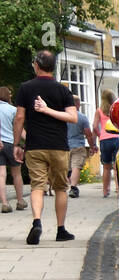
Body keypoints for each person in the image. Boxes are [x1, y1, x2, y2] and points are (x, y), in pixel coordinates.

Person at [12, 50, 77, 244]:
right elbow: (72, 117)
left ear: (37, 65)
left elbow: (19, 117)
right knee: (60, 188)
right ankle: (61, 230)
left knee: (37, 186)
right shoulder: (63, 90)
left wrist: (16, 144)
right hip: (58, 146)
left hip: (34, 146)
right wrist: (52, 111)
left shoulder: (25, 88)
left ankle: (37, 222)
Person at [0, 87, 26, 212]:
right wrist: (29, 141)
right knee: (16, 174)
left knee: (1, 175)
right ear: (7, 96)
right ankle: (20, 201)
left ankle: (5, 203)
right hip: (11, 144)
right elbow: (19, 129)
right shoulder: (13, 110)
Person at [65, 94, 94, 198]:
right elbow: (88, 134)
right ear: (77, 104)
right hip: (78, 146)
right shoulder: (82, 117)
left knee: (68, 169)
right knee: (76, 167)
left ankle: (69, 183)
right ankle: (73, 188)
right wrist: (92, 146)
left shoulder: (62, 116)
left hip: (65, 146)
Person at [94, 89, 119, 200]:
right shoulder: (114, 109)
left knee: (106, 167)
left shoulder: (99, 111)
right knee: (116, 167)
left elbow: (95, 126)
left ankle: (105, 191)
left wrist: (100, 135)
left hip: (104, 140)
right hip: (115, 138)